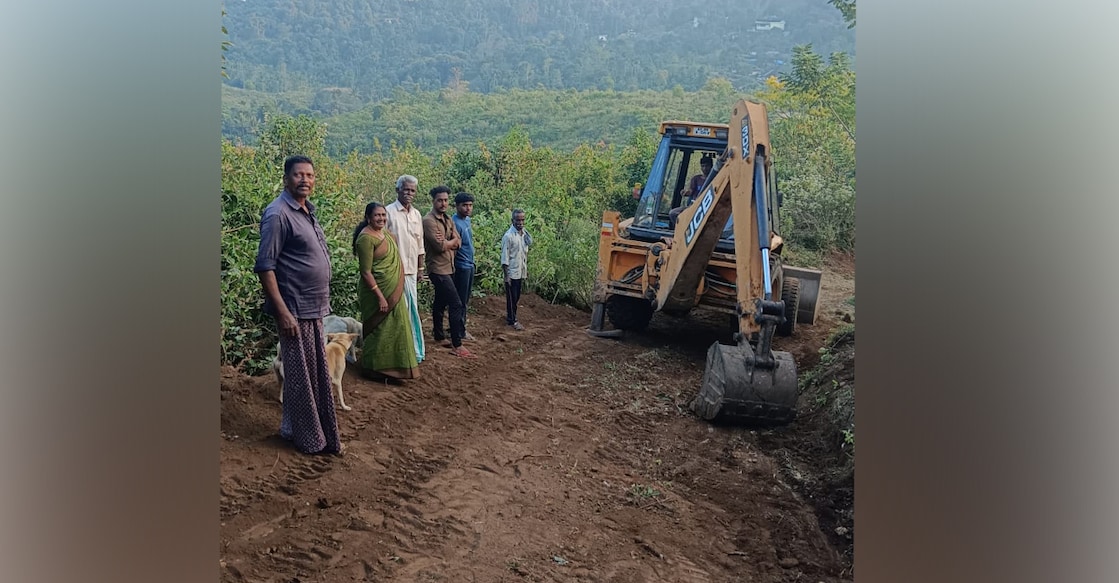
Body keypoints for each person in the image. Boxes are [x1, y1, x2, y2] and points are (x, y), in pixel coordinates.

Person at [253, 155, 342, 456]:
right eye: (298, 175)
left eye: (310, 175)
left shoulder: (306, 211)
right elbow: (266, 266)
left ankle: (293, 428)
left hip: (312, 307)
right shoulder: (278, 214)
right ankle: (311, 440)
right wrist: (282, 312)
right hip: (293, 309)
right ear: (286, 178)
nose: (305, 179)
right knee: (302, 378)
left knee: (312, 373)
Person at [352, 201, 421, 381]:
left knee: (397, 326)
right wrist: (381, 297)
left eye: (383, 215)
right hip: (376, 293)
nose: (381, 218)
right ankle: (373, 368)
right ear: (368, 218)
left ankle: (395, 368)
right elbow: (366, 272)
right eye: (377, 215)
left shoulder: (388, 235)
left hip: (394, 290)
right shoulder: (366, 238)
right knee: (378, 329)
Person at [423, 186, 476, 358]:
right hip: (438, 268)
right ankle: (457, 344)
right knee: (456, 303)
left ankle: (438, 335)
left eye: (445, 200)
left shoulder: (447, 219)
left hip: (449, 267)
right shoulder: (429, 221)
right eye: (440, 200)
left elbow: (458, 242)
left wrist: (449, 241)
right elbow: (440, 247)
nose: (443, 203)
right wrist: (450, 242)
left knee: (440, 302)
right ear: (433, 201)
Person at [384, 175, 426, 363]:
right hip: (394, 271)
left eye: (412, 190)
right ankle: (397, 353)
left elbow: (420, 244)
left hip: (411, 272)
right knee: (398, 311)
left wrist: (421, 268)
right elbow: (381, 241)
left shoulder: (416, 214)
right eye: (406, 189)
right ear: (398, 190)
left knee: (412, 311)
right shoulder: (388, 212)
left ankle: (414, 351)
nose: (409, 193)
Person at [500, 208, 533, 331]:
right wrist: (506, 275)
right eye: (518, 220)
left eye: (522, 220)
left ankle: (512, 317)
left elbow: (525, 252)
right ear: (512, 220)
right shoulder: (508, 236)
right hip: (511, 272)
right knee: (511, 298)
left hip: (520, 271)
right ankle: (512, 320)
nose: (520, 223)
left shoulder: (523, 235)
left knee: (516, 297)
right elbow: (505, 257)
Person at [451, 192, 476, 341]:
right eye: (464, 205)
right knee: (460, 301)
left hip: (469, 264)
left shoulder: (467, 221)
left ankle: (458, 327)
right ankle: (460, 331)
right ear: (457, 206)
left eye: (470, 205)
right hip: (461, 266)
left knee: (465, 300)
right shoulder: (454, 223)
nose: (467, 208)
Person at [669, 155, 714, 229]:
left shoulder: (715, 179)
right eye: (703, 166)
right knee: (673, 213)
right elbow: (691, 191)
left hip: (708, 208)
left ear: (711, 166)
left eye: (707, 166)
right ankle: (681, 229)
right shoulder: (696, 179)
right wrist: (686, 192)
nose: (705, 168)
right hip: (693, 206)